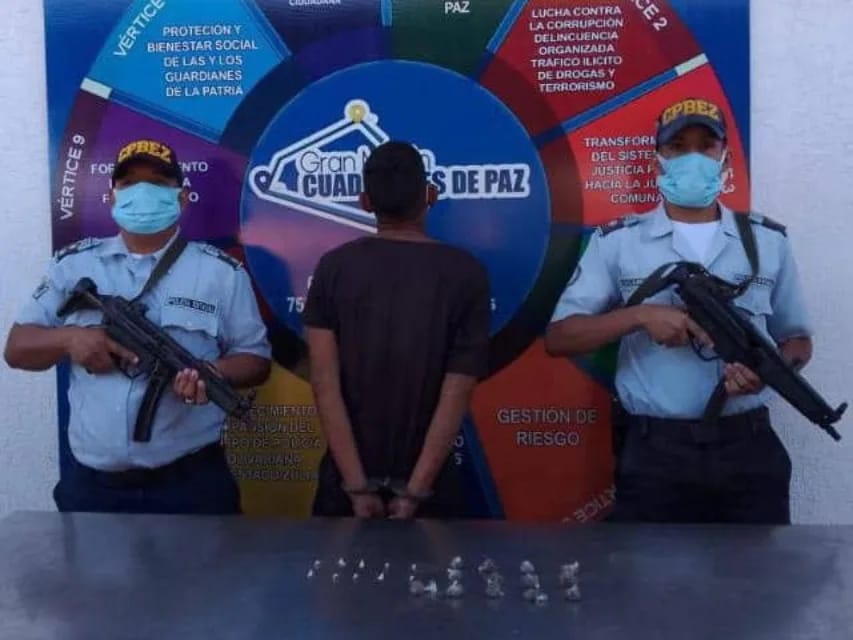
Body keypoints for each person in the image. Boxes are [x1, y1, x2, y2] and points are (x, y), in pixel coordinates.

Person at [544, 98, 814, 524]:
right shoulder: (619, 242)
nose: (693, 157)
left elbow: (797, 340)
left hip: (748, 448)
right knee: (653, 568)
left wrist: (767, 373)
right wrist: (639, 316)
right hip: (657, 455)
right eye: (677, 146)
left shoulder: (767, 242)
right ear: (658, 160)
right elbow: (560, 337)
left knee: (760, 568)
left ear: (725, 158)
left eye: (706, 146)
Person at [4, 139, 271, 515]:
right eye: (129, 183)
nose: (143, 193)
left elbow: (256, 361)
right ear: (112, 197)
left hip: (191, 482)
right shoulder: (73, 266)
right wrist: (70, 338)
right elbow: (16, 349)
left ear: (182, 198)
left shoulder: (221, 273)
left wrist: (213, 373)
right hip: (93, 488)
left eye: (158, 183)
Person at [302, 140, 491, 520]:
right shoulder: (466, 273)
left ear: (364, 202)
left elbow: (324, 384)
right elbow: (457, 391)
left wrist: (357, 487)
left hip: (343, 486)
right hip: (433, 488)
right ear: (430, 195)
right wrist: (415, 492)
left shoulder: (333, 268)